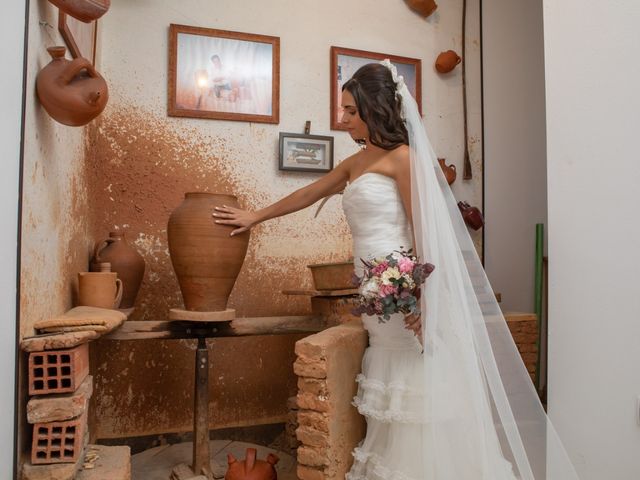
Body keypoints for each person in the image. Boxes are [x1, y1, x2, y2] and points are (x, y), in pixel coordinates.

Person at [212, 62, 580, 479]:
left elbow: (424, 233)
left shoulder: (403, 159)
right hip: (374, 294)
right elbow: (309, 191)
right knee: (391, 382)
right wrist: (254, 216)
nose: (344, 118)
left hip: (404, 291)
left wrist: (423, 299)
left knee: (415, 387)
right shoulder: (357, 162)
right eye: (344, 110)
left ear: (375, 109)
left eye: (350, 110)